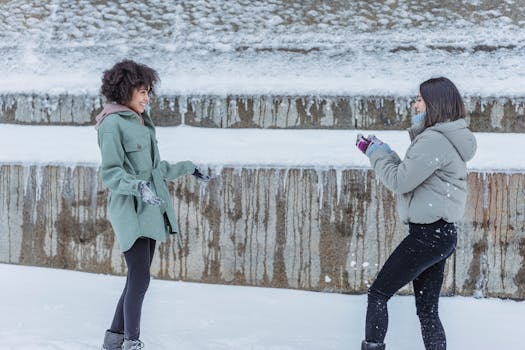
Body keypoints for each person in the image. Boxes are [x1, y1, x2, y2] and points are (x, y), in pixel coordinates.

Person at [96, 59, 210, 350]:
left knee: (137, 278)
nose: (147, 97)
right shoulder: (111, 125)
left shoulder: (143, 122)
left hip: (150, 208)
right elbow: (111, 173)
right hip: (129, 211)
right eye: (141, 91)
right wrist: (139, 187)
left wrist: (189, 167)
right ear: (125, 90)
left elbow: (155, 170)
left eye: (148, 91)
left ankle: (114, 340)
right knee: (140, 277)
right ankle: (131, 342)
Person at [356, 77, 477, 350]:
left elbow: (399, 181)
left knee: (378, 294)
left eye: (420, 99)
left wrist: (375, 153)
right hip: (442, 235)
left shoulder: (433, 140)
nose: (415, 104)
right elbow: (410, 174)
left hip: (428, 235)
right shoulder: (447, 138)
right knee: (427, 310)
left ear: (435, 103)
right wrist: (385, 152)